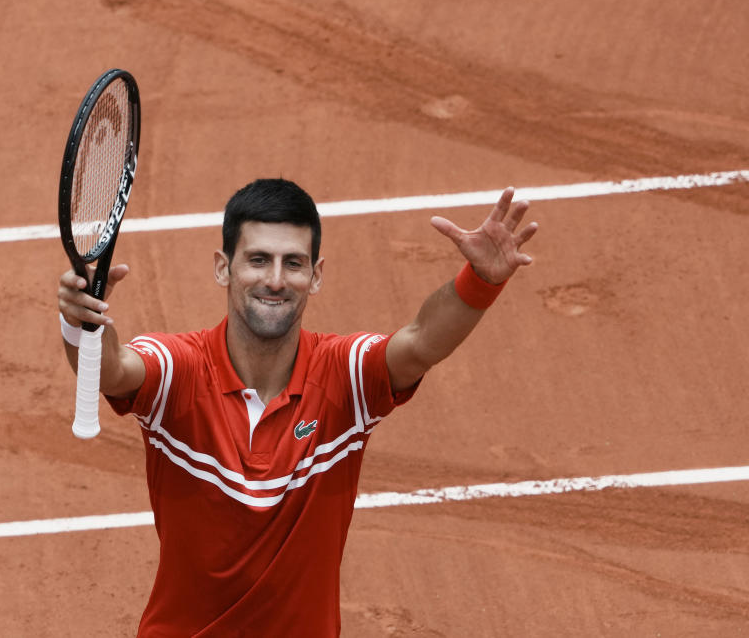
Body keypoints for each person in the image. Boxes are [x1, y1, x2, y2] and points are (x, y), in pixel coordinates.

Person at [57, 178, 537, 637]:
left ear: (316, 275)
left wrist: (479, 281)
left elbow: (420, 342)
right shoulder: (180, 370)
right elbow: (113, 369)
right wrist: (84, 324)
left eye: (293, 263)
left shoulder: (343, 376)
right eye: (258, 260)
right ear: (224, 268)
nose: (275, 279)